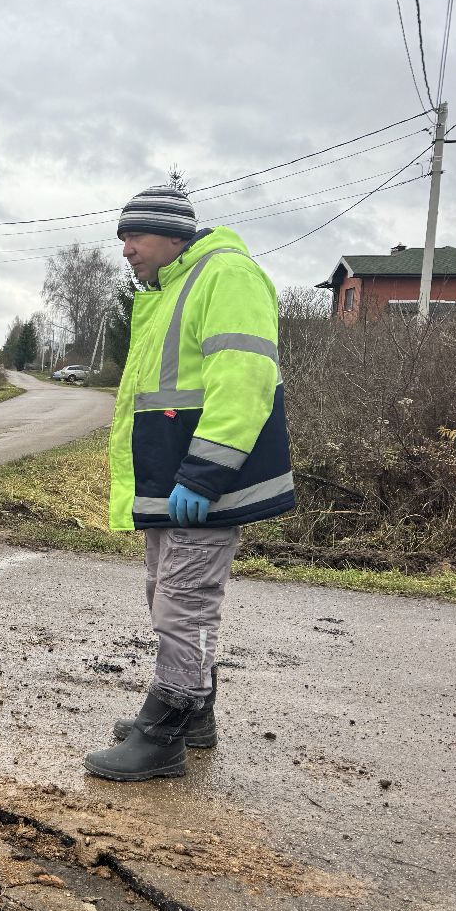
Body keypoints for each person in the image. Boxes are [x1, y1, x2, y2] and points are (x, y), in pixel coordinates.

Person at [83, 185, 294, 782]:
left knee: (184, 604)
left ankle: (164, 733)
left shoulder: (225, 275)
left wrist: (204, 474)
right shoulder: (173, 287)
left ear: (171, 234)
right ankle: (196, 715)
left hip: (204, 483)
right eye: (123, 237)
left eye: (134, 235)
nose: (126, 249)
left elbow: (244, 380)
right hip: (175, 481)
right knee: (167, 593)